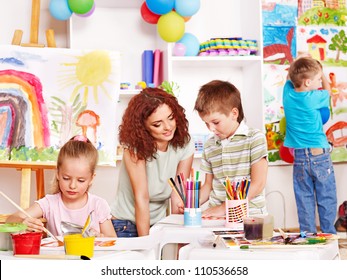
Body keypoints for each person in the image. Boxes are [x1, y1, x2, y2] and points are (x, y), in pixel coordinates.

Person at [110, 87, 195, 237]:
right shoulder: (134, 148)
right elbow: (141, 198)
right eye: (157, 124)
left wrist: (178, 239)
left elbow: (177, 194)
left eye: (171, 118)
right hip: (125, 224)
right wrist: (147, 244)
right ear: (143, 128)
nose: (168, 127)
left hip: (159, 224)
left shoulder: (185, 143)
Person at [6, 135, 117, 237]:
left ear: (91, 178)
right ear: (58, 174)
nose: (72, 185)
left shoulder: (98, 205)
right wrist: (22, 223)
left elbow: (113, 240)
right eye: (66, 178)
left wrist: (101, 238)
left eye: (81, 180)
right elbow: (10, 220)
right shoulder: (50, 203)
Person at [194, 80, 268, 218]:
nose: (211, 129)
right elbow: (208, 186)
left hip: (250, 216)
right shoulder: (210, 145)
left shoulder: (254, 138)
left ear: (234, 113)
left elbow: (258, 184)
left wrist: (225, 208)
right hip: (217, 216)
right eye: (206, 123)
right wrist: (192, 204)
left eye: (215, 122)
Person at [283, 55, 337, 234]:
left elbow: (289, 79)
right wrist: (322, 75)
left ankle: (308, 237)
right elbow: (328, 90)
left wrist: (298, 64)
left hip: (298, 156)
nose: (318, 82)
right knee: (326, 197)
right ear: (307, 83)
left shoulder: (288, 95)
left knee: (304, 199)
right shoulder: (315, 96)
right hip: (319, 154)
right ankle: (329, 236)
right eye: (316, 79)